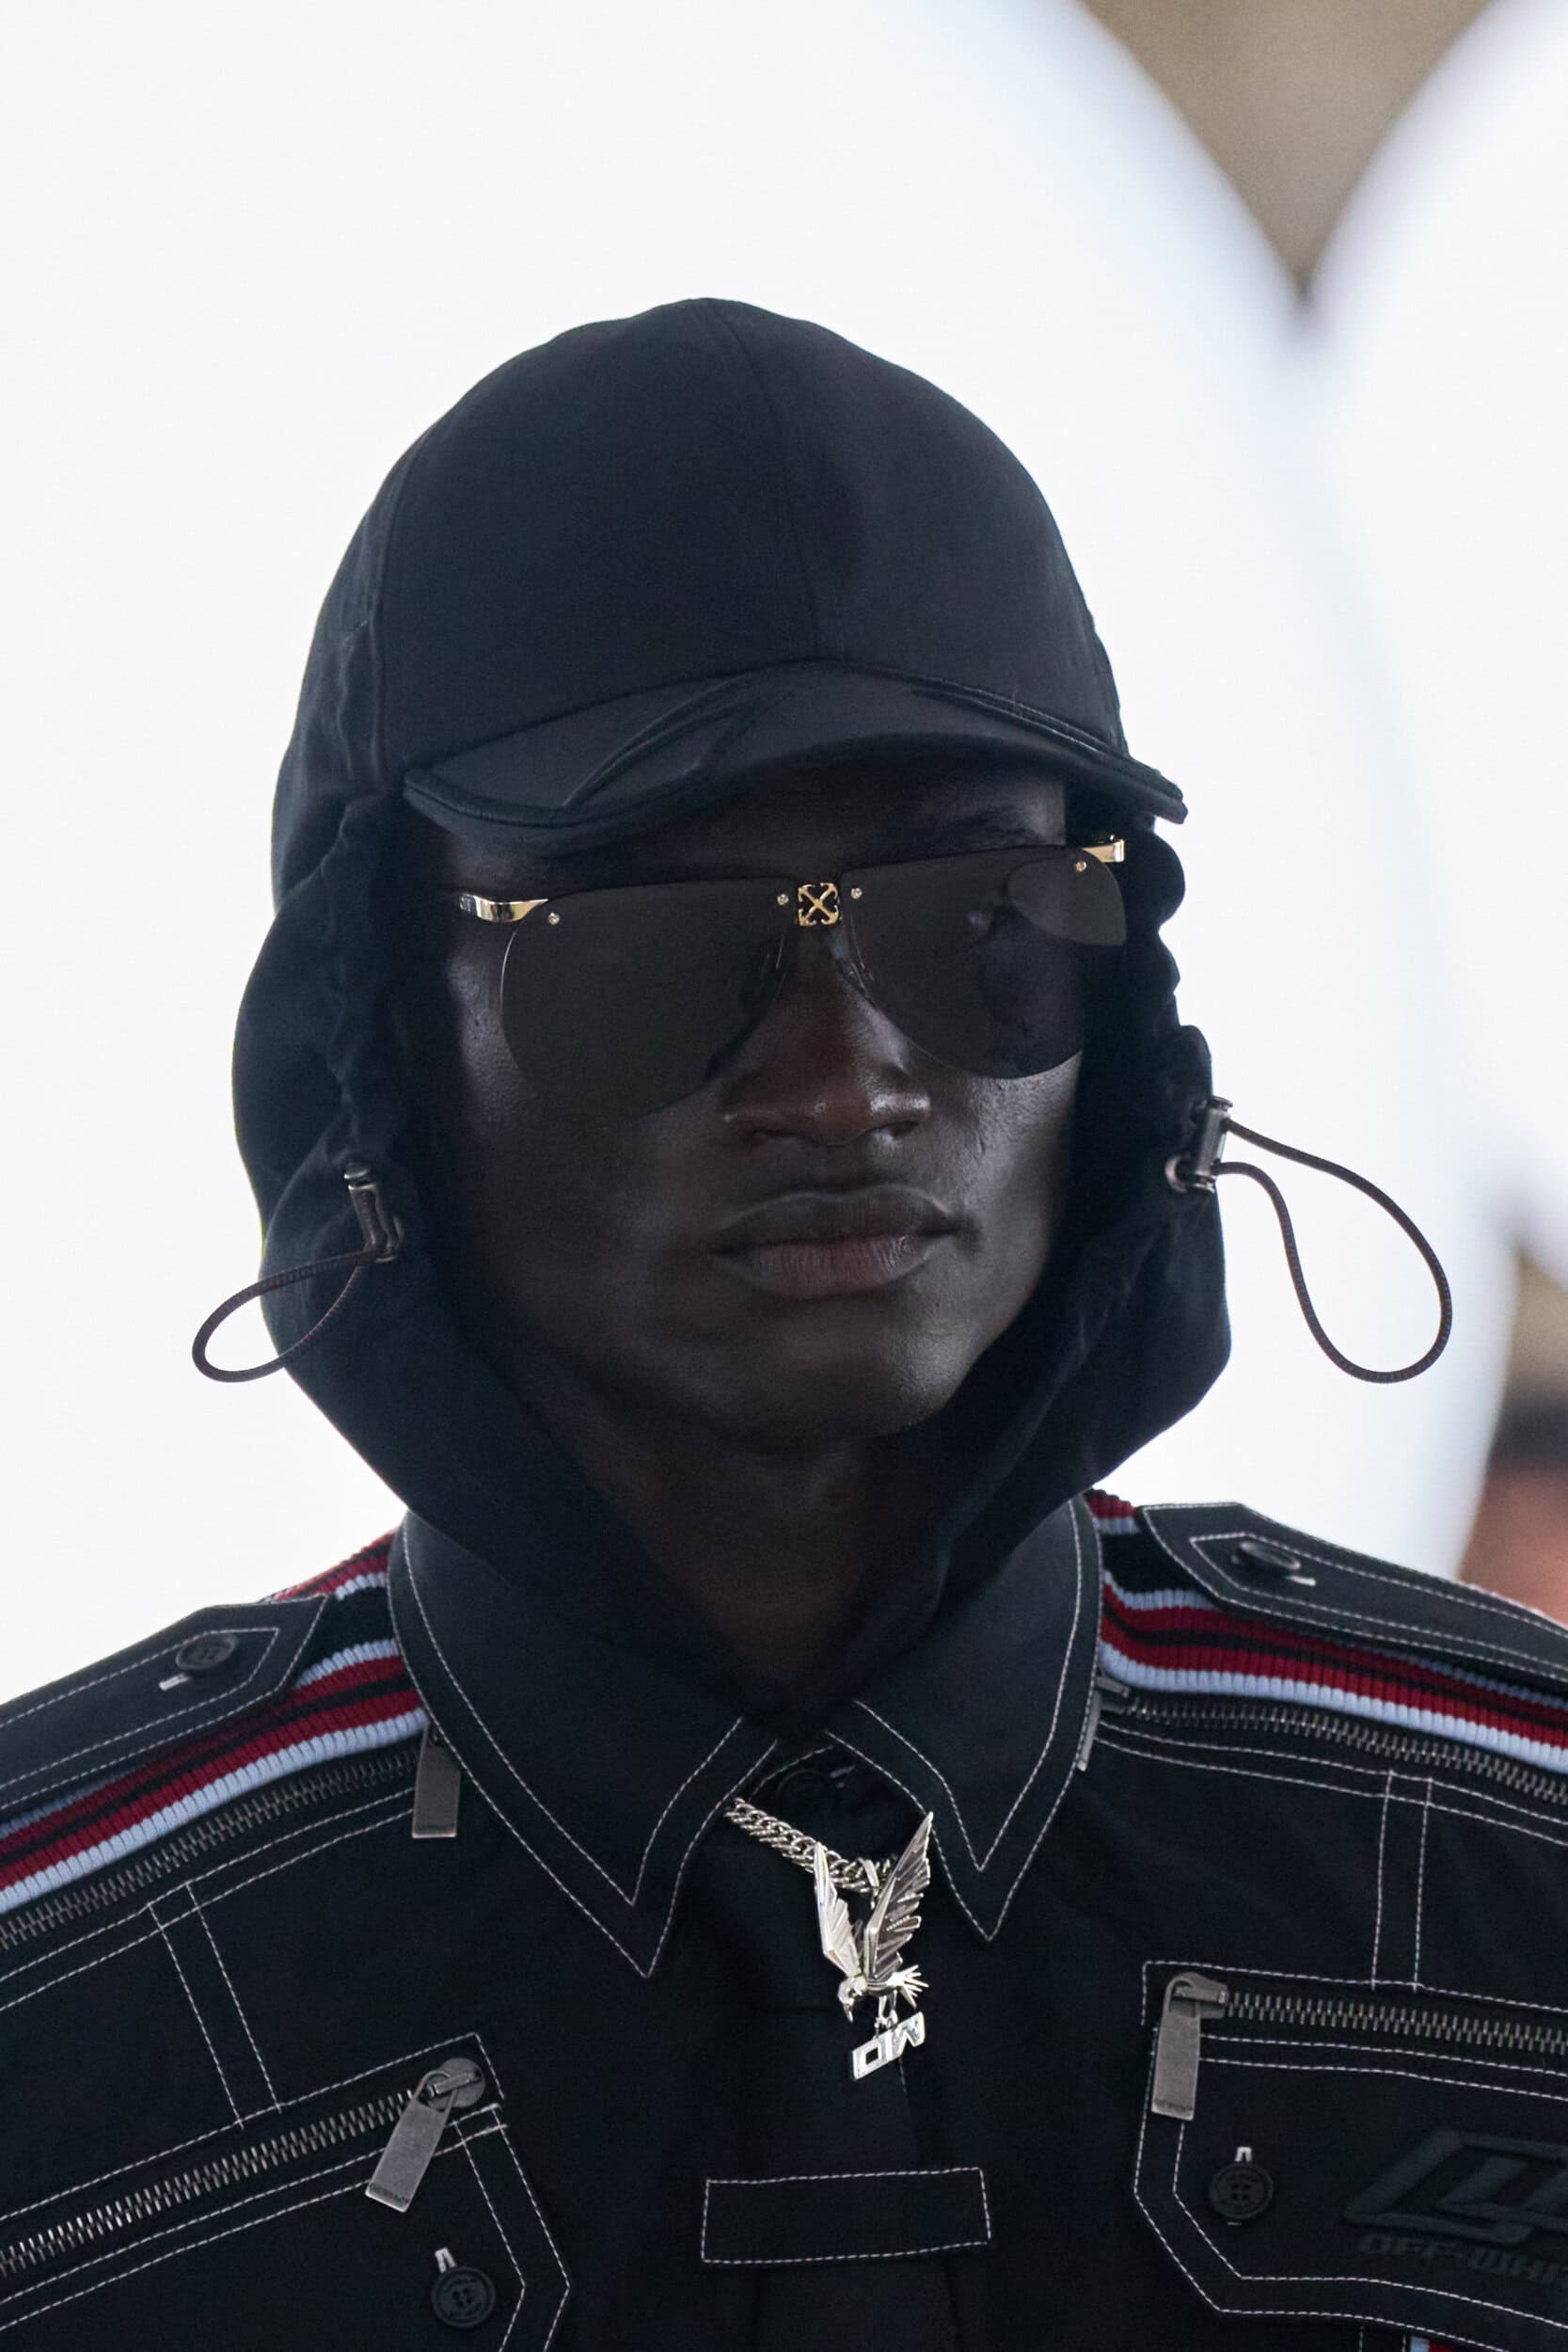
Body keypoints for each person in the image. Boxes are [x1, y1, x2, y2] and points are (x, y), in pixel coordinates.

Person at [0, 299, 1564, 2352]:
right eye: (651, 949)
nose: (844, 1083)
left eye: (976, 919)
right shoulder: (57, 2007)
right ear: (374, 1032)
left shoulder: (1521, 1863)